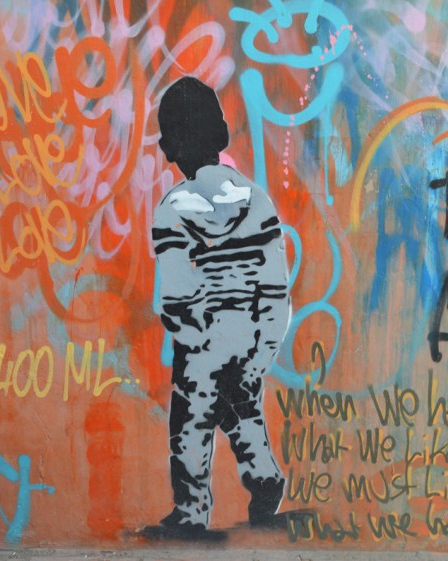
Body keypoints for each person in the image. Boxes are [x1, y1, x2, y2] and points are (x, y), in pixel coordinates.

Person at [150, 76, 290, 539]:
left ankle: (191, 511)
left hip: (205, 330)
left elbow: (176, 289)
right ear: (219, 134)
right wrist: (265, 343)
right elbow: (274, 282)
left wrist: (190, 339)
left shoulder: (174, 206)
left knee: (192, 420)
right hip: (254, 326)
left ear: (172, 145)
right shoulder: (258, 198)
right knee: (241, 404)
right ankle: (265, 478)